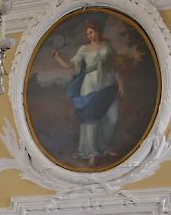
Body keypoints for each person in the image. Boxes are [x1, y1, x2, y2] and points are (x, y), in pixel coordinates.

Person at [50, 19, 122, 166]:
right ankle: (92, 152)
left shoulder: (107, 46)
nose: (89, 35)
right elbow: (72, 66)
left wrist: (120, 83)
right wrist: (58, 57)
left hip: (109, 83)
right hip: (89, 85)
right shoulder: (83, 49)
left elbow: (115, 65)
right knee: (91, 120)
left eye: (91, 32)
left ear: (97, 31)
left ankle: (104, 146)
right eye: (87, 33)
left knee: (112, 118)